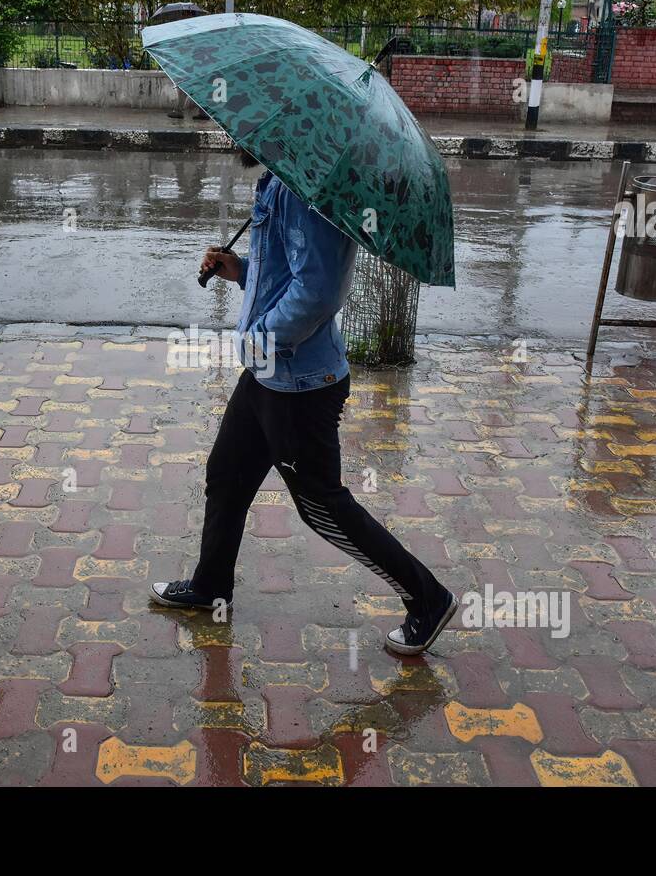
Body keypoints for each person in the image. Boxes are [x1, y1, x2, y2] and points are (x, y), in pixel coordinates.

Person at [149, 149, 457, 655]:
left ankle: (428, 599)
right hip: (270, 376)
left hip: (298, 385)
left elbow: (319, 291)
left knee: (322, 508)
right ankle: (210, 587)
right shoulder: (284, 178)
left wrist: (261, 339)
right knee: (227, 473)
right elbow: (286, 274)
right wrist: (242, 270)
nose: (232, 134)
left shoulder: (303, 191)